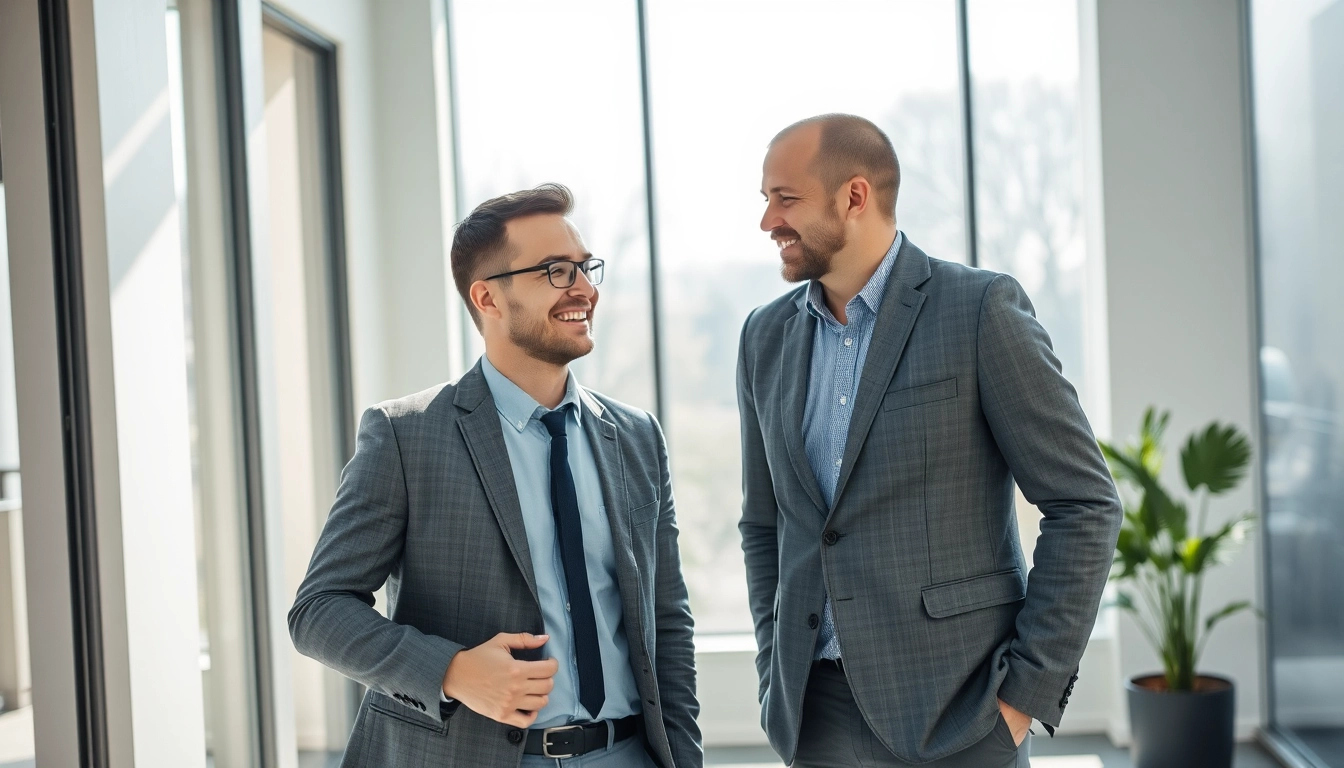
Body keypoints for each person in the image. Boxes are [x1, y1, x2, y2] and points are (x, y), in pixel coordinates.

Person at [737, 114, 1122, 767]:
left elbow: (1085, 504)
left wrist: (1021, 700)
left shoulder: (978, 309)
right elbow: (764, 522)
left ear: (854, 197)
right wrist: (777, 667)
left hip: (960, 712)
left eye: (786, 197)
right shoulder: (764, 336)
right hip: (815, 716)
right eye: (765, 199)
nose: (768, 220)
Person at [290, 183, 701, 767]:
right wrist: (452, 671)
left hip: (629, 754)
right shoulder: (406, 436)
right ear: (487, 298)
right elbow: (320, 611)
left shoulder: (635, 437)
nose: (583, 288)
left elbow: (666, 620)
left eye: (585, 268)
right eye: (555, 271)